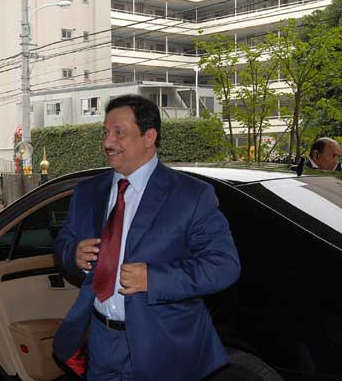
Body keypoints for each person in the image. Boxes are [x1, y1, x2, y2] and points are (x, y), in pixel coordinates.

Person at [53, 94, 241, 381]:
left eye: (119, 132)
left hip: (163, 347)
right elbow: (62, 245)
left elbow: (224, 266)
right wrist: (73, 254)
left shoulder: (191, 195)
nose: (107, 142)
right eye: (105, 132)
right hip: (99, 340)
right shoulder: (88, 192)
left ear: (149, 136)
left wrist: (153, 279)